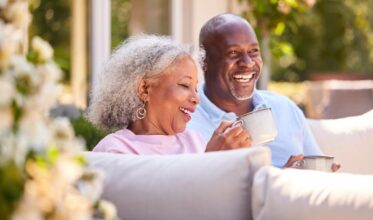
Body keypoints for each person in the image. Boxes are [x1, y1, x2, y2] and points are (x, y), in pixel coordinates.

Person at [187, 13, 340, 171]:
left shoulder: (285, 109)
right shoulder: (184, 121)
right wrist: (213, 161)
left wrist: (322, 176)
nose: (248, 63)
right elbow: (183, 192)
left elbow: (319, 171)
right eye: (233, 53)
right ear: (204, 61)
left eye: (253, 51)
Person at [87, 34, 251, 154]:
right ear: (145, 89)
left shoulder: (194, 141)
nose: (196, 99)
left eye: (195, 88)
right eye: (185, 85)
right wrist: (211, 160)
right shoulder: (115, 149)